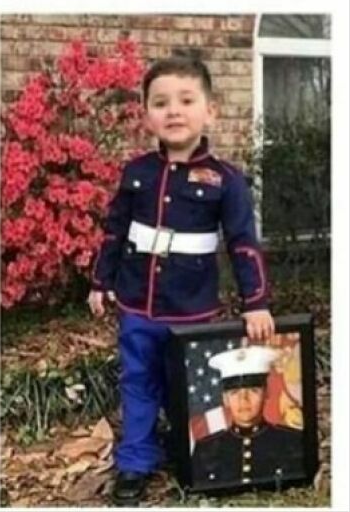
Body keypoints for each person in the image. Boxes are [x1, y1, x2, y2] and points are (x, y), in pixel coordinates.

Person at [87, 57, 275, 503]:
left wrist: (256, 302)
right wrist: (100, 282)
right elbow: (114, 231)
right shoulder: (137, 173)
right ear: (146, 115)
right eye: (161, 103)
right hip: (137, 305)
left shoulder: (226, 181)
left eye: (186, 101)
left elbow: (243, 243)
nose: (173, 111)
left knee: (189, 385)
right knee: (138, 381)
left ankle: (194, 452)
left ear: (210, 111)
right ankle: (135, 462)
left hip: (193, 311)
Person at [191, 345, 305, 486]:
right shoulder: (205, 449)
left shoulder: (293, 442)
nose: (244, 400)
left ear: (267, 393)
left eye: (253, 391)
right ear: (225, 399)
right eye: (234, 393)